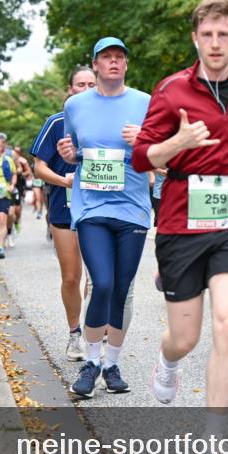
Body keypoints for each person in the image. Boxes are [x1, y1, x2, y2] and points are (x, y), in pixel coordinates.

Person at [132, 0, 228, 454]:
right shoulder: (172, 91)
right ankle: (168, 359)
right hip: (180, 221)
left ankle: (216, 438)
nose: (216, 43)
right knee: (186, 336)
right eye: (207, 35)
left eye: (224, 35)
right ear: (196, 39)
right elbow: (142, 157)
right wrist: (181, 141)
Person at [57, 38, 150, 398]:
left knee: (122, 289)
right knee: (104, 283)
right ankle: (90, 361)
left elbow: (161, 154)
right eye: (106, 57)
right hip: (92, 207)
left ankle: (111, 363)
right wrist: (69, 155)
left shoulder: (144, 103)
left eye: (119, 58)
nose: (113, 62)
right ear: (95, 65)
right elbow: (74, 152)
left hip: (133, 207)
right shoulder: (75, 105)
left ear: (126, 65)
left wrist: (143, 140)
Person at [32, 65, 97, 362]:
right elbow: (39, 167)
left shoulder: (107, 122)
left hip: (98, 207)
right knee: (71, 277)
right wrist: (64, 180)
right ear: (70, 90)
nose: (85, 89)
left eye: (91, 84)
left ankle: (97, 331)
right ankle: (75, 334)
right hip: (65, 207)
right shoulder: (56, 123)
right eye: (80, 84)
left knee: (98, 278)